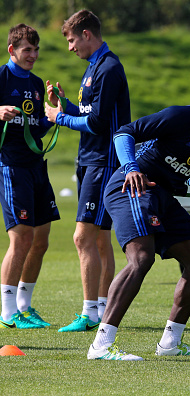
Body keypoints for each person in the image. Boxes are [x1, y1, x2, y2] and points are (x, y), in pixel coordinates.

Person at [86, 73, 190, 360]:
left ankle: (170, 344)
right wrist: (130, 167)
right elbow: (125, 132)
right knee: (141, 258)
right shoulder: (181, 116)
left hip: (163, 196)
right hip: (131, 186)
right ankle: (101, 345)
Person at [45, 9, 130, 332]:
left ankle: (90, 313)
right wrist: (64, 105)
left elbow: (95, 123)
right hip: (90, 161)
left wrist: (59, 119)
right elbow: (90, 111)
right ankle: (103, 308)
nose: (70, 47)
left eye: (71, 40)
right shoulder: (94, 67)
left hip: (103, 162)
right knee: (99, 240)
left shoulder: (109, 68)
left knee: (83, 238)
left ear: (87, 35)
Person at [0, 24, 60, 329]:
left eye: (36, 50)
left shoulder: (37, 84)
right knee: (21, 237)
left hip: (37, 165)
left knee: (41, 240)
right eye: (27, 49)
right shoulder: (2, 77)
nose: (33, 55)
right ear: (12, 50)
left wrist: (53, 113)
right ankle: (7, 312)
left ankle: (24, 305)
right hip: (11, 166)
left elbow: (36, 127)